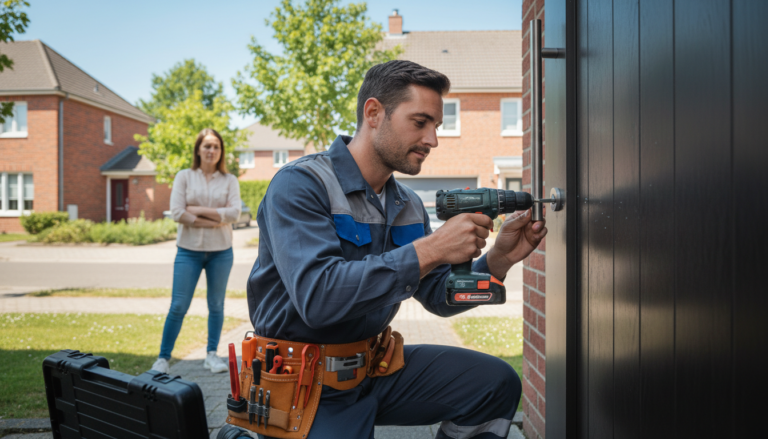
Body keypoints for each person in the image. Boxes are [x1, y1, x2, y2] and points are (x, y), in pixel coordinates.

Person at [246, 61, 547, 439]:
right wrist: (430, 248)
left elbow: (438, 295)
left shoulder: (407, 204)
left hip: (374, 370)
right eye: (420, 122)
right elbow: (317, 298)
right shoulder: (301, 186)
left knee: (494, 383)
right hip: (303, 386)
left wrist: (498, 260)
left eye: (436, 126)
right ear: (374, 113)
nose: (433, 139)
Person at [152, 128, 242, 375]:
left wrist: (197, 210)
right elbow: (177, 212)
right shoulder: (184, 176)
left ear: (221, 151)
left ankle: (212, 355)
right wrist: (215, 219)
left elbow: (235, 213)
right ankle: (162, 358)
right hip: (188, 251)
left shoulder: (230, 180)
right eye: (207, 146)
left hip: (221, 251)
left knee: (216, 304)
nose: (211, 150)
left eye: (216, 146)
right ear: (198, 149)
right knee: (178, 305)